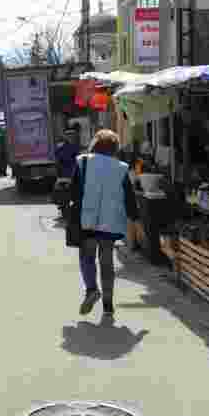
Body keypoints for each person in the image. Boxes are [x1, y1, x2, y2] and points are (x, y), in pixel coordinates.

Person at [70, 129, 140, 322]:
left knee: (87, 257)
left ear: (95, 144)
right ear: (115, 148)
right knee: (107, 263)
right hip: (110, 223)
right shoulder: (121, 168)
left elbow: (73, 192)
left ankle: (92, 290)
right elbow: (129, 196)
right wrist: (135, 218)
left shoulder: (83, 162)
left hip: (87, 220)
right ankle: (108, 306)